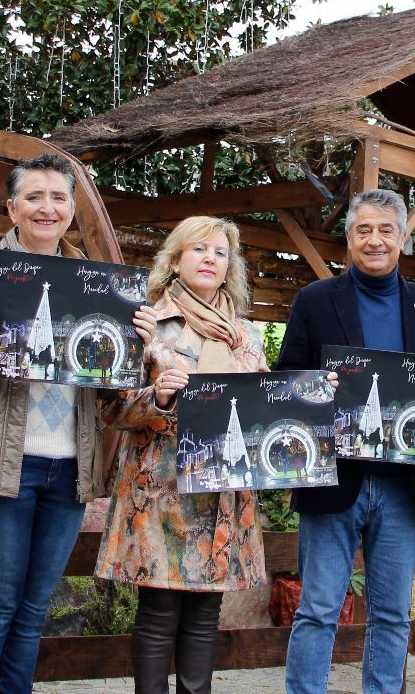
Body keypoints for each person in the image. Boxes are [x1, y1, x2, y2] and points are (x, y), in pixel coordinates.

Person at [277, 189, 415, 694]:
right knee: (318, 609)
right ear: (348, 238)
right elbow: (285, 381)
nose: (375, 240)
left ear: (403, 238)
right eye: (363, 229)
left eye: (386, 230)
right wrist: (312, 390)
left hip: (403, 486)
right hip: (332, 480)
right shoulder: (314, 300)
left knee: (392, 613)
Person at [0, 152, 109, 693]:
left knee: (33, 611)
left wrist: (134, 347)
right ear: (12, 208)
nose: (46, 208)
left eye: (58, 197)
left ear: (71, 209)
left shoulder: (97, 280)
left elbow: (109, 385)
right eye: (34, 197)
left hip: (69, 467)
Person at [95, 216, 268, 694]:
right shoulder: (148, 322)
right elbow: (111, 409)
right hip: (162, 493)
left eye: (220, 252)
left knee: (206, 614)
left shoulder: (246, 336)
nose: (210, 258)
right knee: (158, 613)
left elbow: (263, 411)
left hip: (224, 497)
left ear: (230, 266)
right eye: (199, 249)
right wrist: (159, 397)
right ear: (175, 261)